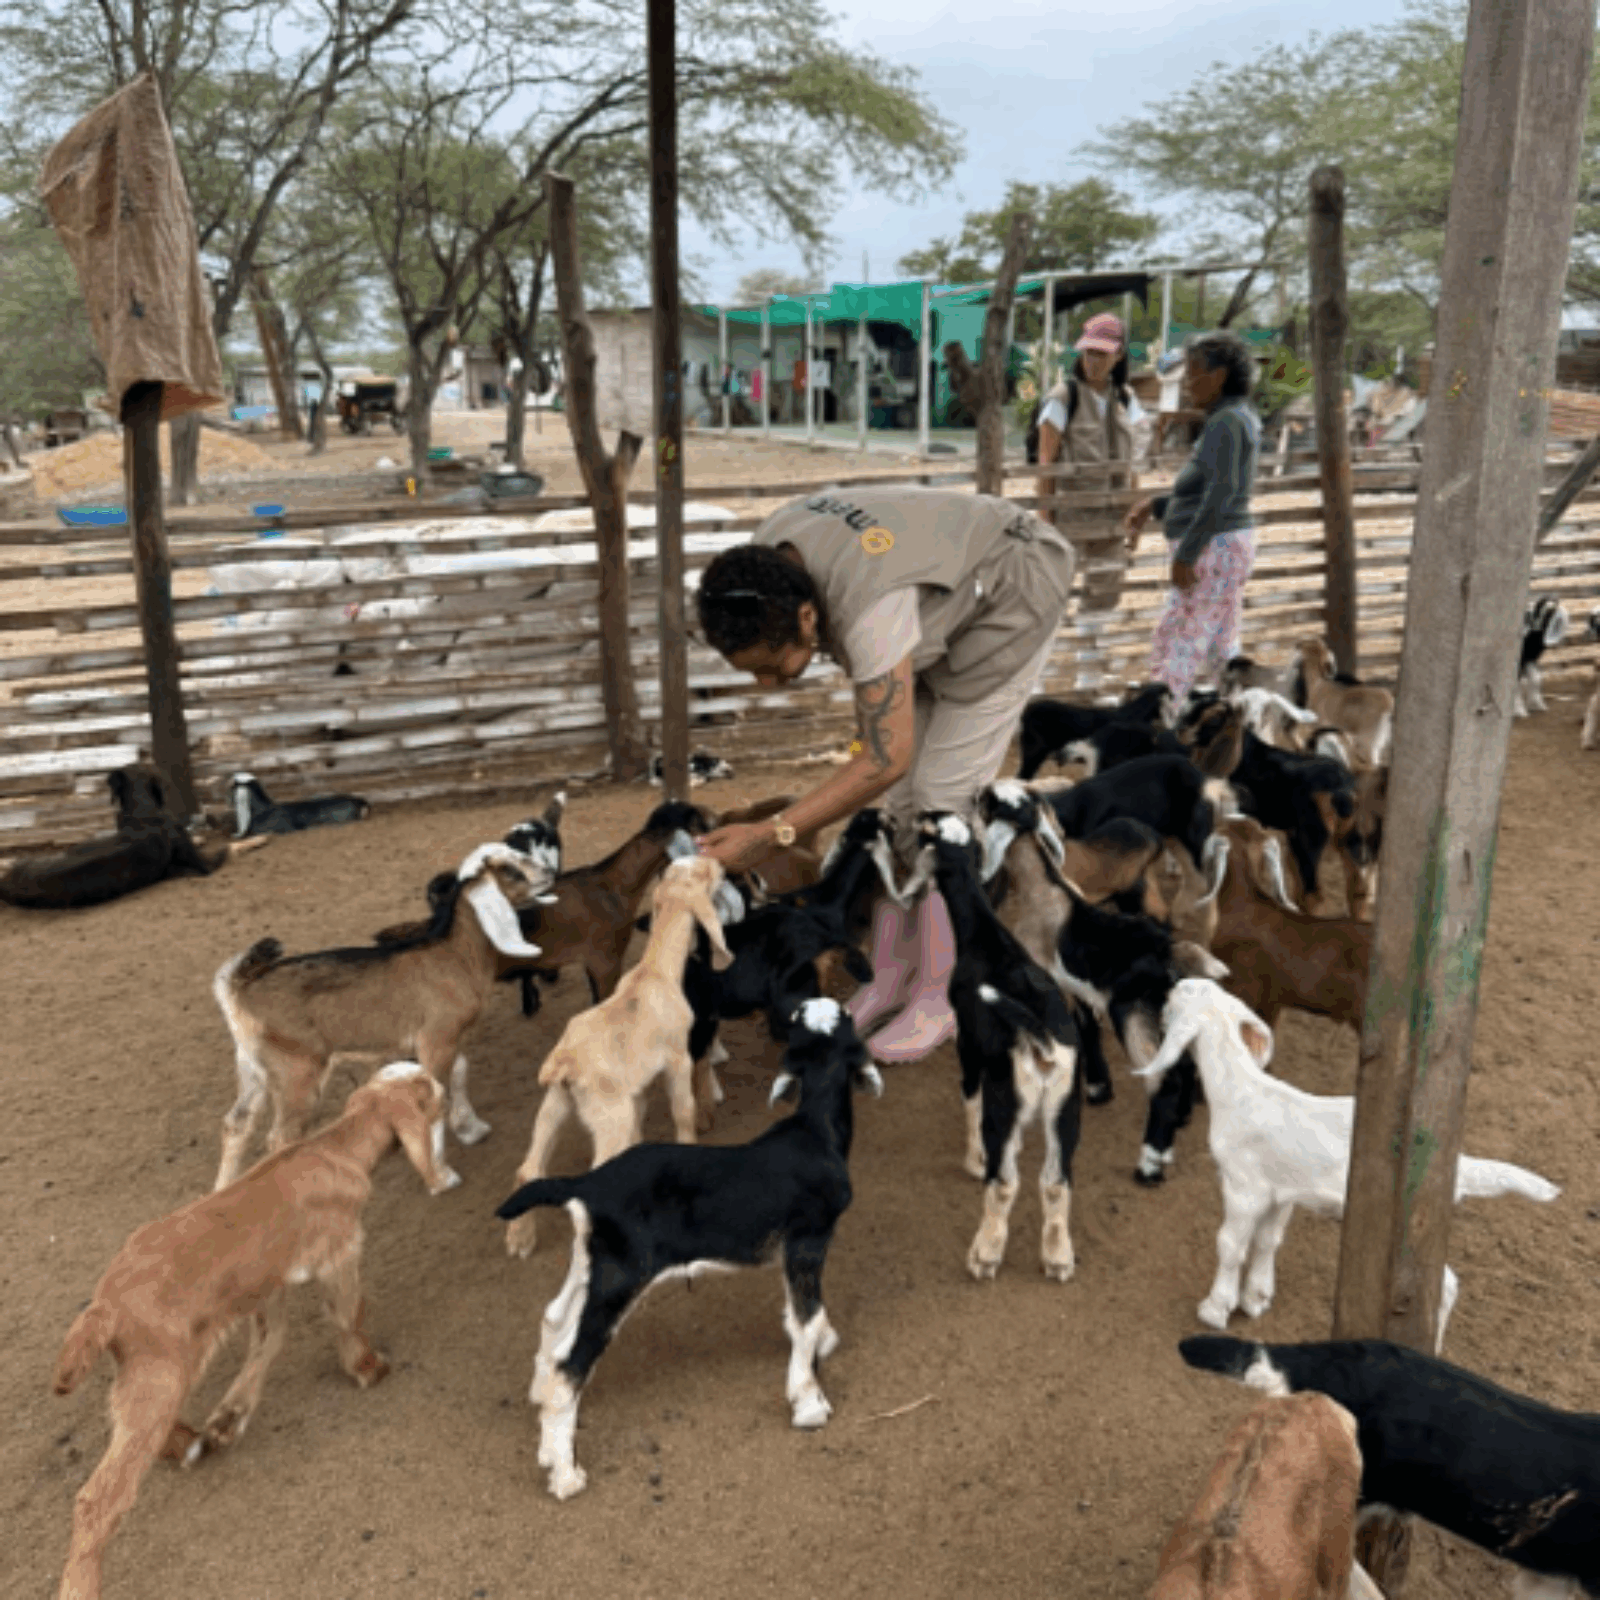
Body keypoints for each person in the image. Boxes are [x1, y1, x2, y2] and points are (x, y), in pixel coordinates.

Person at [694, 487, 1076, 1064]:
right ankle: (893, 971)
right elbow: (881, 765)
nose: (767, 686)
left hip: (1012, 588)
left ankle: (942, 991)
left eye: (773, 668)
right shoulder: (765, 569)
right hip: (942, 589)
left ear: (805, 617)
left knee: (941, 800)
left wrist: (771, 834)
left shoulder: (869, 609)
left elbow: (883, 756)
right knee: (896, 803)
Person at [1122, 329, 1261, 702]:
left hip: (1211, 548)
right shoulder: (1231, 418)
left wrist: (1186, 555)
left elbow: (1220, 496)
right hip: (1223, 545)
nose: (1186, 384)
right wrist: (1155, 506)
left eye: (1193, 374)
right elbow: (1209, 491)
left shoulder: (1227, 422)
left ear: (1217, 376)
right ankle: (1233, 724)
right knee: (1219, 645)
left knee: (1179, 639)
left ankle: (1162, 723)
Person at [1035, 312, 1145, 613]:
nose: (1093, 360)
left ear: (1119, 355)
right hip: (1072, 514)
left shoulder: (1125, 398)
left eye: (1101, 353)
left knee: (1105, 590)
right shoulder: (1063, 397)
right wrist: (1045, 519)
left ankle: (1089, 650)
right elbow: (1047, 461)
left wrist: (1134, 511)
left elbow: (1133, 462)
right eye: (1088, 352)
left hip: (1113, 516)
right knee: (1053, 589)